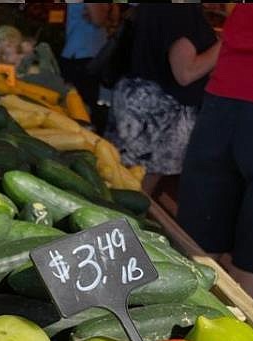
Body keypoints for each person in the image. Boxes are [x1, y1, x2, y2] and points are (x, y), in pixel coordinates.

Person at [177, 4, 253, 303]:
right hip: (226, 96)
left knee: (200, 240)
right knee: (246, 252)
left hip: (223, 99)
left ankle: (194, 332)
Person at [105, 3, 221, 195]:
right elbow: (185, 72)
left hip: (140, 104)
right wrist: (224, 43)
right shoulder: (180, 9)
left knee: (120, 182)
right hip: (156, 114)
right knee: (131, 191)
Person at [59, 1, 114, 131]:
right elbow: (99, 19)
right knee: (84, 114)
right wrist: (105, 12)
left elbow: (110, 16)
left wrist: (104, 13)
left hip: (83, 54)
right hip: (82, 56)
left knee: (83, 111)